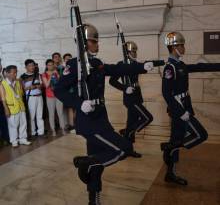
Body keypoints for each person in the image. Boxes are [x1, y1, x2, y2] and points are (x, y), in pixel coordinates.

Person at [54, 23, 158, 205]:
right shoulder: (75, 65)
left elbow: (118, 69)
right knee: (123, 148)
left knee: (97, 162)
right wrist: (79, 103)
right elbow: (59, 89)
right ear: (84, 43)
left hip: (101, 119)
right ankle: (85, 163)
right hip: (89, 121)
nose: (97, 44)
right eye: (94, 41)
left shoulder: (97, 63)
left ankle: (93, 198)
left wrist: (142, 67)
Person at [161, 32, 220, 186]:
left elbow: (200, 67)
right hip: (180, 110)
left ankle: (170, 173)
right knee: (201, 134)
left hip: (185, 107)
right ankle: (170, 147)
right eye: (181, 45)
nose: (184, 47)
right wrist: (181, 113)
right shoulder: (170, 68)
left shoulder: (180, 65)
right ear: (174, 47)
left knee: (177, 138)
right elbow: (166, 94)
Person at [109, 41, 154, 158]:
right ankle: (128, 132)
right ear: (127, 52)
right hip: (130, 99)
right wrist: (124, 88)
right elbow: (112, 81)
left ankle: (128, 149)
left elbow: (143, 68)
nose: (135, 53)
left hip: (137, 97)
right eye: (132, 51)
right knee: (148, 118)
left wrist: (156, 63)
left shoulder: (135, 64)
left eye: (135, 51)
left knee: (131, 122)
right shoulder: (121, 65)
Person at [0, 65, 31, 147]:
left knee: (23, 123)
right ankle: (14, 140)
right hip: (11, 107)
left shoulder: (17, 82)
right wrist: (6, 109)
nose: (15, 74)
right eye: (13, 72)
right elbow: (3, 99)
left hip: (20, 106)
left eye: (16, 72)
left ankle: (23, 139)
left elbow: (21, 94)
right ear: (7, 73)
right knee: (13, 125)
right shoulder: (3, 83)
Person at [20, 59, 44, 137]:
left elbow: (41, 85)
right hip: (30, 98)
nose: (32, 67)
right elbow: (22, 89)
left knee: (40, 115)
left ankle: (41, 132)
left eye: (33, 65)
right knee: (31, 116)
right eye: (30, 65)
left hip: (39, 96)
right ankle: (33, 132)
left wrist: (38, 86)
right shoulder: (22, 77)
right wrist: (30, 87)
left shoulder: (38, 75)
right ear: (26, 67)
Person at [42, 59, 65, 136]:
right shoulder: (44, 74)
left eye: (52, 65)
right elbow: (46, 85)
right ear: (46, 66)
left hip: (58, 95)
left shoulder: (57, 72)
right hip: (49, 96)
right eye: (49, 65)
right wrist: (51, 75)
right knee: (51, 114)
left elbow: (61, 83)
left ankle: (63, 128)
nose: (50, 66)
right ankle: (53, 130)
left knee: (60, 113)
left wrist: (57, 75)